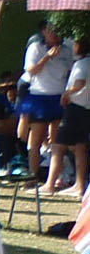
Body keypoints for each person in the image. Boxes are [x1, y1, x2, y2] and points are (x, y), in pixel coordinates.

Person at [17, 20, 74, 182]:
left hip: (58, 95)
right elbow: (31, 71)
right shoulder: (35, 48)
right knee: (36, 139)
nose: (55, 34)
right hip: (39, 96)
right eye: (51, 31)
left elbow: (70, 72)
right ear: (44, 32)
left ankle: (56, 176)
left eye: (57, 31)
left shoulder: (66, 51)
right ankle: (33, 174)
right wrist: (47, 57)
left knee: (56, 141)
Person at [48, 43, 89, 194]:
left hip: (75, 107)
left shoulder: (81, 64)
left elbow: (79, 83)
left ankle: (50, 183)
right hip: (86, 109)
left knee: (58, 146)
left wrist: (66, 94)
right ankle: (79, 185)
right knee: (80, 147)